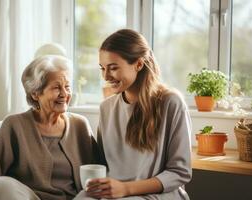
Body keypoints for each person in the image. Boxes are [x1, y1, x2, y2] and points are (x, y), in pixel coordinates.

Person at [80, 29, 192, 199]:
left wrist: (126, 189)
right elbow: (104, 165)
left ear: (139, 64)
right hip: (117, 193)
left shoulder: (171, 102)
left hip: (158, 194)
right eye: (102, 68)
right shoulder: (106, 108)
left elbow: (180, 172)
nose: (106, 76)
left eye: (113, 68)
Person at [0, 54, 100, 200]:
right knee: (1, 184)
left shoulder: (80, 125)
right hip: (29, 197)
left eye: (67, 87)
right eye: (57, 88)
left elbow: (99, 169)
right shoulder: (15, 125)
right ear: (35, 94)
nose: (64, 94)